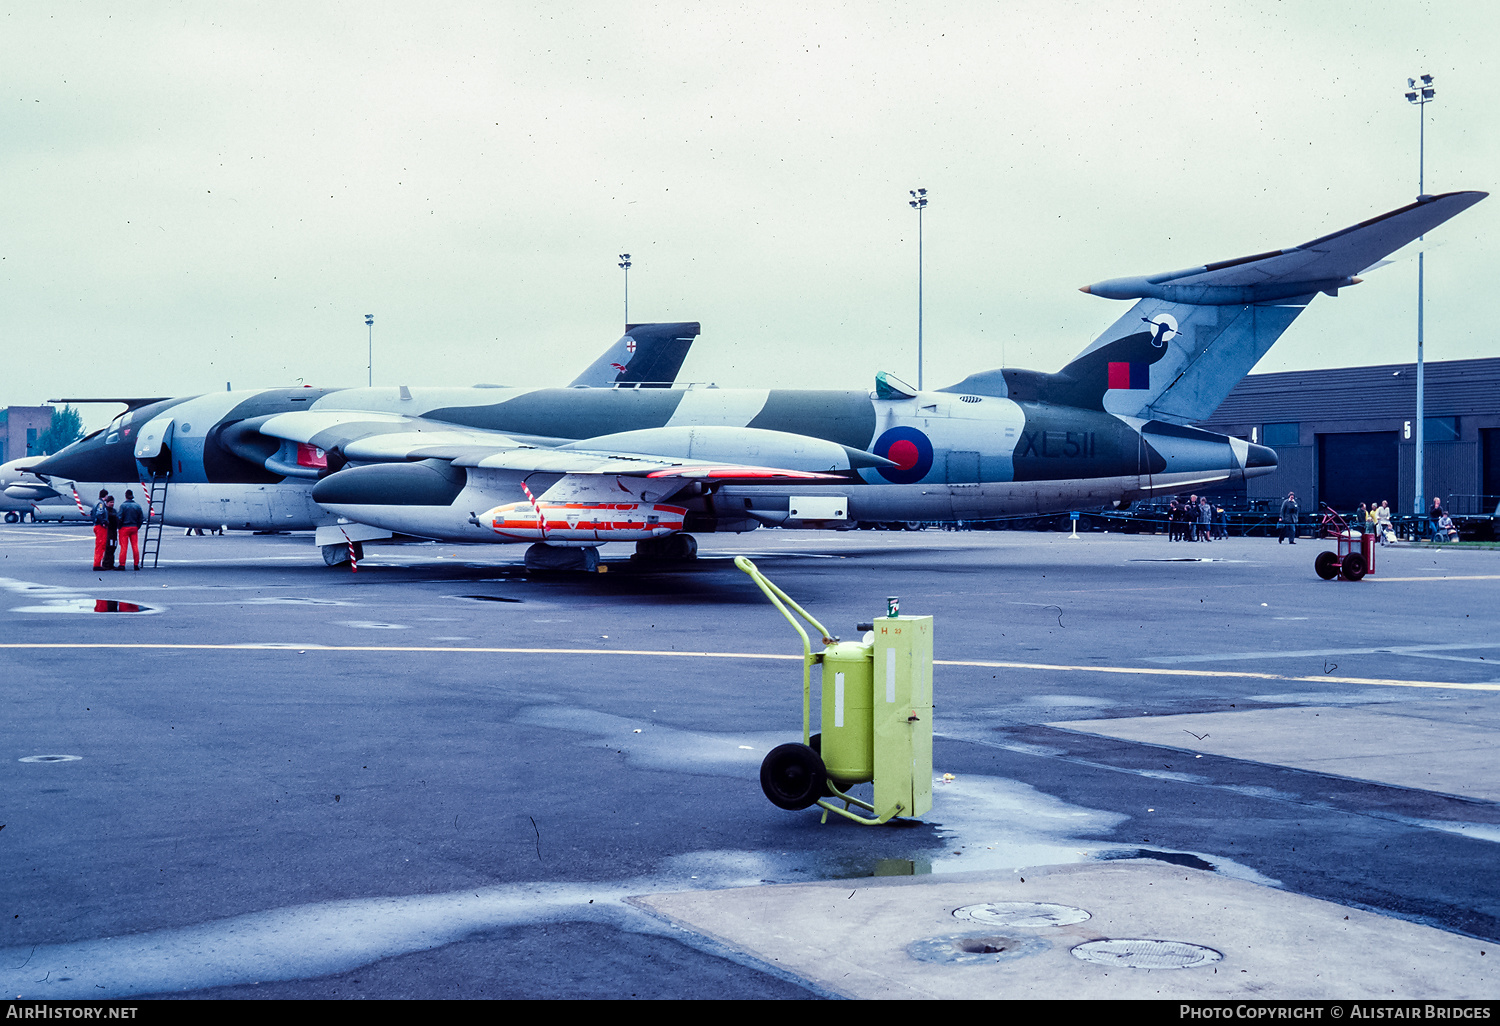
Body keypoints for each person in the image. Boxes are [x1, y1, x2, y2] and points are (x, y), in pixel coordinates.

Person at [118, 489, 145, 570]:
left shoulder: (123, 506)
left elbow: (119, 517)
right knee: (135, 546)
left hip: (124, 527)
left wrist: (119, 526)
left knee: (123, 547)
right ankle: (136, 564)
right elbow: (141, 518)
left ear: (126, 496)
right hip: (134, 527)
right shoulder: (137, 506)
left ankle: (122, 564)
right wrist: (137, 526)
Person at [90, 489, 111, 570]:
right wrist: (103, 522)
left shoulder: (96, 502)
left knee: (99, 545)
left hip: (96, 525)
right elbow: (100, 513)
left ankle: (97, 563)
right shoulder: (101, 504)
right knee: (101, 545)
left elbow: (92, 513)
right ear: (105, 496)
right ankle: (97, 564)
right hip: (100, 527)